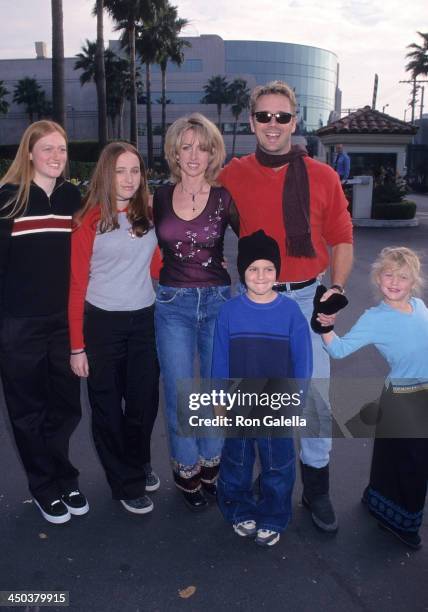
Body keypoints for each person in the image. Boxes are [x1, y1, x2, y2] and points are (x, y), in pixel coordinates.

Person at [219, 80, 353, 532]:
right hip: (256, 301)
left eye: (282, 117)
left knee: (315, 397)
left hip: (306, 297)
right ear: (251, 121)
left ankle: (316, 489)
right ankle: (263, 482)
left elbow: (341, 239)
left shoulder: (323, 176)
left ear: (295, 121)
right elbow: (200, 219)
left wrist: (335, 288)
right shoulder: (233, 175)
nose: (272, 125)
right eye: (263, 116)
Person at [0, 120, 87, 524]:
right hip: (18, 325)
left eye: (62, 149)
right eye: (47, 149)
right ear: (30, 153)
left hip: (62, 323)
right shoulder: (8, 200)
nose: (56, 156)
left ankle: (62, 473)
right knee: (27, 411)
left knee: (66, 406)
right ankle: (43, 486)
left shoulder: (74, 198)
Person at [153, 113, 239, 511]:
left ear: (211, 153)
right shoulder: (158, 197)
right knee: (180, 391)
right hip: (172, 305)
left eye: (201, 147)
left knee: (216, 390)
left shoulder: (224, 198)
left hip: (219, 302)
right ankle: (186, 467)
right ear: (174, 151)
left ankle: (212, 464)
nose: (193, 154)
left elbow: (256, 242)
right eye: (185, 146)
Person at [68, 142, 159, 515]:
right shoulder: (87, 220)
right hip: (102, 322)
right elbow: (75, 285)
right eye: (120, 171)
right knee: (107, 407)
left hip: (144, 321)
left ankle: (137, 460)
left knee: (143, 401)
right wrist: (77, 346)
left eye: (135, 170)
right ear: (106, 174)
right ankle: (124, 482)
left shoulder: (148, 214)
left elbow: (157, 266)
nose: (128, 178)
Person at [321, 247, 428, 550]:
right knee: (413, 464)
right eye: (388, 275)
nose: (394, 282)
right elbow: (339, 350)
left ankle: (378, 501)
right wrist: (326, 327)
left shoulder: (420, 306)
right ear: (378, 277)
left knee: (394, 456)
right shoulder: (375, 317)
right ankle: (404, 525)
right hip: (403, 398)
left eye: (403, 277)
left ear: (414, 281)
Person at [212, 230, 312, 546]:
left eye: (269, 268)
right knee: (236, 462)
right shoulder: (229, 311)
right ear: (242, 271)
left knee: (278, 465)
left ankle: (273, 516)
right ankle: (239, 509)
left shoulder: (290, 312)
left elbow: (303, 361)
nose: (261, 276)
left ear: (277, 272)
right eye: (253, 268)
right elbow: (219, 358)